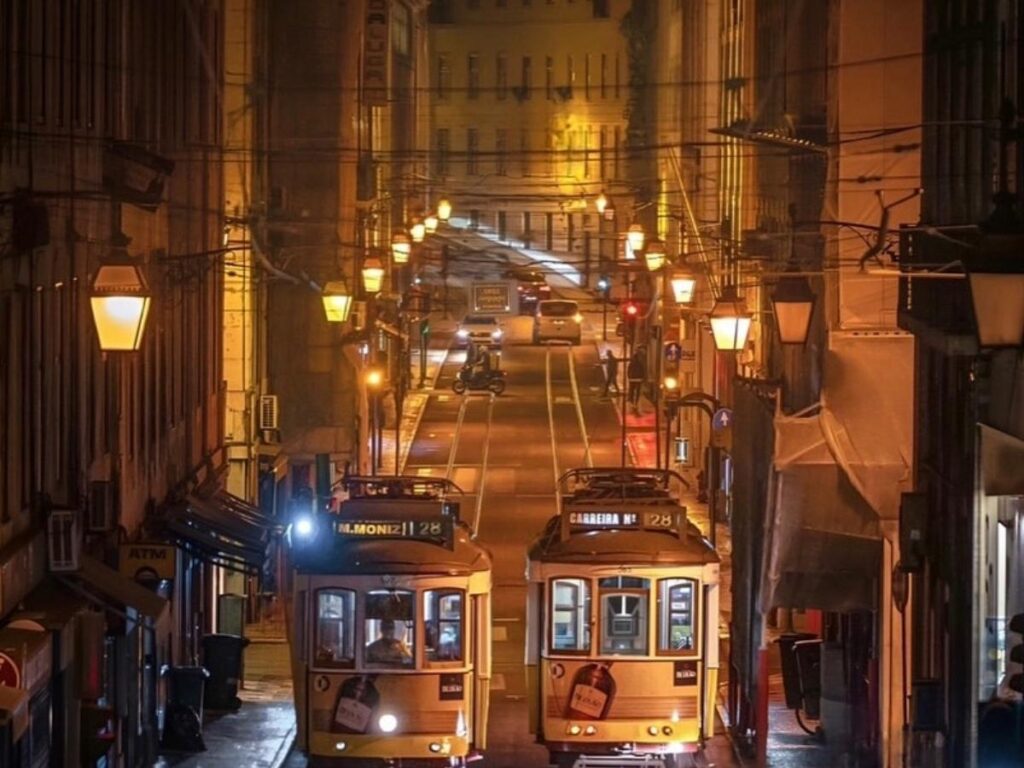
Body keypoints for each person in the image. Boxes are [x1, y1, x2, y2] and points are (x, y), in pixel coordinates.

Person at [627, 348, 645, 412]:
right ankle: (636, 402)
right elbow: (642, 371)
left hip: (632, 379)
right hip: (638, 379)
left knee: (631, 390)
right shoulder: (640, 363)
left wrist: (629, 377)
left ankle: (631, 401)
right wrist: (642, 378)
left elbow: (628, 371)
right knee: (637, 392)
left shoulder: (631, 363)